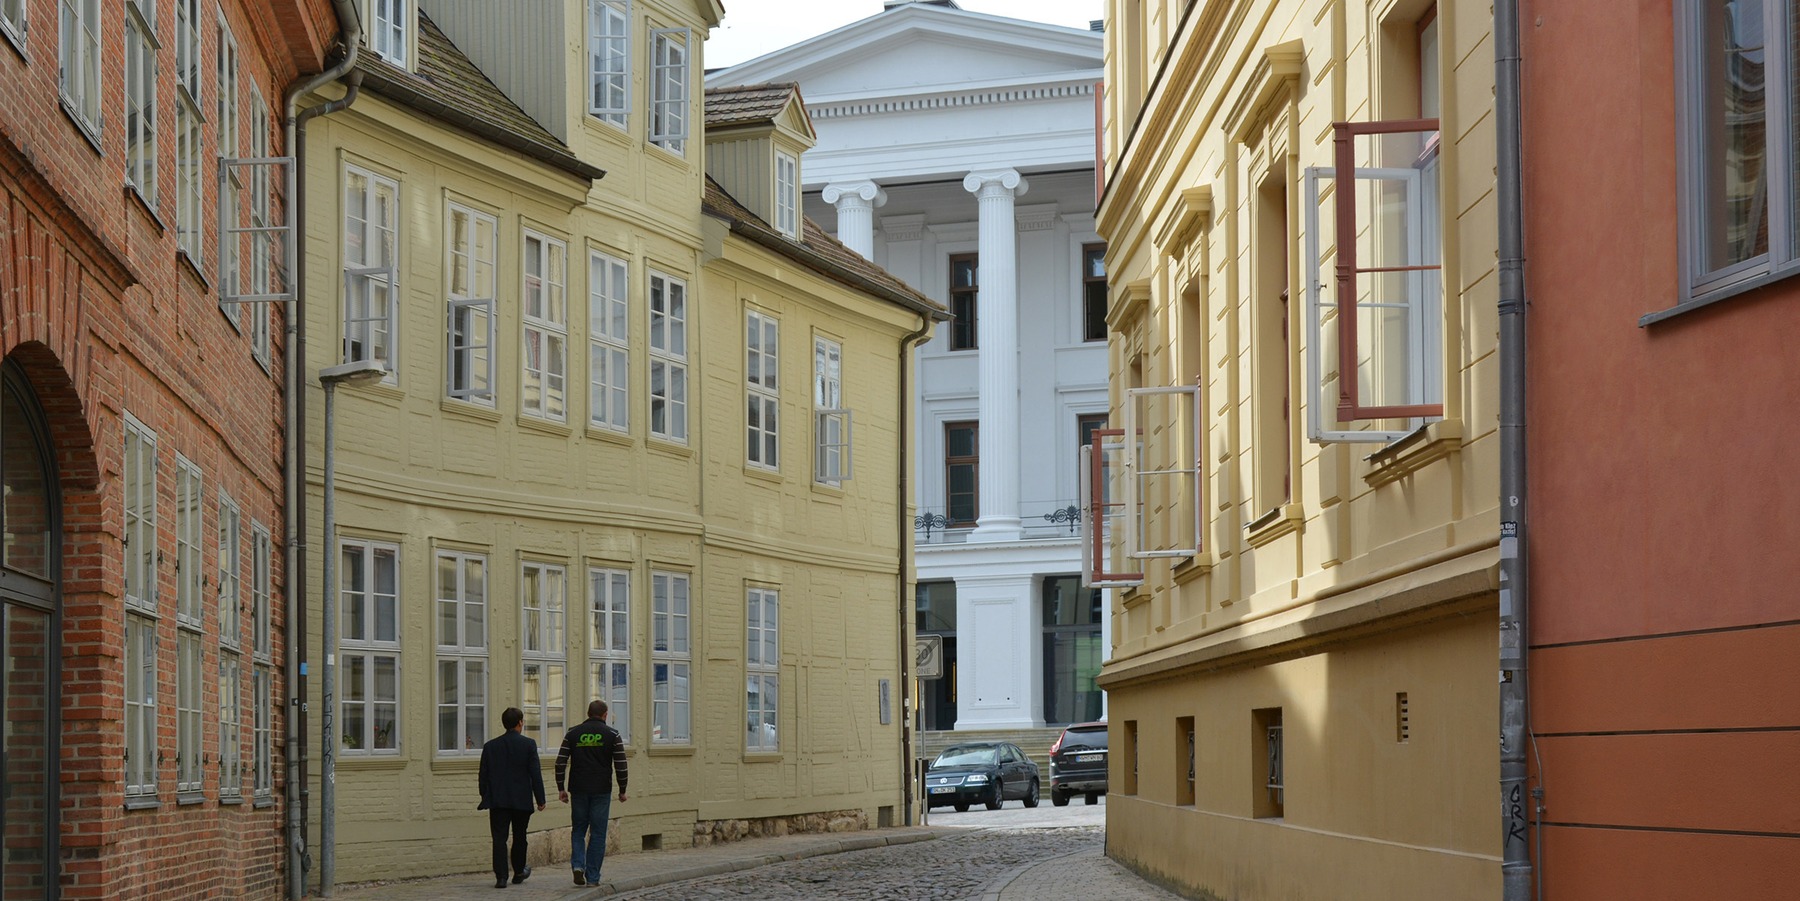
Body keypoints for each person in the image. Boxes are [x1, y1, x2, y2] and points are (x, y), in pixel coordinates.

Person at [555, 699, 629, 887]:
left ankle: (578, 866)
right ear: (605, 715)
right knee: (598, 833)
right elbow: (621, 765)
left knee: (578, 830)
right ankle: (593, 877)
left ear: (588, 713)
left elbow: (560, 762)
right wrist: (622, 790)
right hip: (601, 789)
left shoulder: (572, 733)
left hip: (578, 788)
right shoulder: (612, 735)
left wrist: (561, 788)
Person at [478, 707, 546, 889]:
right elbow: (535, 773)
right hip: (521, 800)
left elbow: (483, 775)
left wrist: (485, 795)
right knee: (520, 836)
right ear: (520, 723)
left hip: (498, 800)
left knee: (499, 839)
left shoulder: (490, 746)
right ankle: (518, 871)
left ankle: (501, 877)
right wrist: (540, 799)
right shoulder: (528, 744)